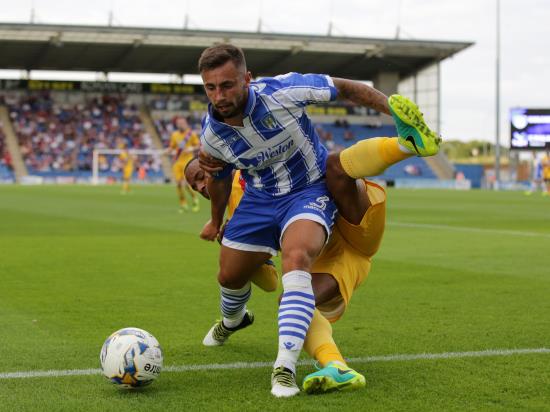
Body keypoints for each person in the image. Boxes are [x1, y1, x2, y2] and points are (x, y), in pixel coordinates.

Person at [196, 43, 440, 397]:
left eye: (228, 85)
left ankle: (285, 368)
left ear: (247, 78)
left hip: (309, 193)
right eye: (210, 87)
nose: (219, 95)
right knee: (229, 274)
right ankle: (233, 320)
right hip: (261, 199)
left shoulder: (283, 92)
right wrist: (216, 220)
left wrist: (392, 109)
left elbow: (344, 87)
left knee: (298, 253)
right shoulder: (212, 135)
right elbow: (217, 177)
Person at [168, 117, 200, 212]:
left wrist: (191, 148)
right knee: (178, 184)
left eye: (182, 123)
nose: (180, 124)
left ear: (186, 123)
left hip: (187, 161)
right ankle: (183, 203)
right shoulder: (174, 135)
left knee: (186, 184)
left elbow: (198, 145)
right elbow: (172, 147)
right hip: (177, 162)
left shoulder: (191, 134)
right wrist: (167, 151)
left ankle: (194, 198)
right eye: (179, 123)